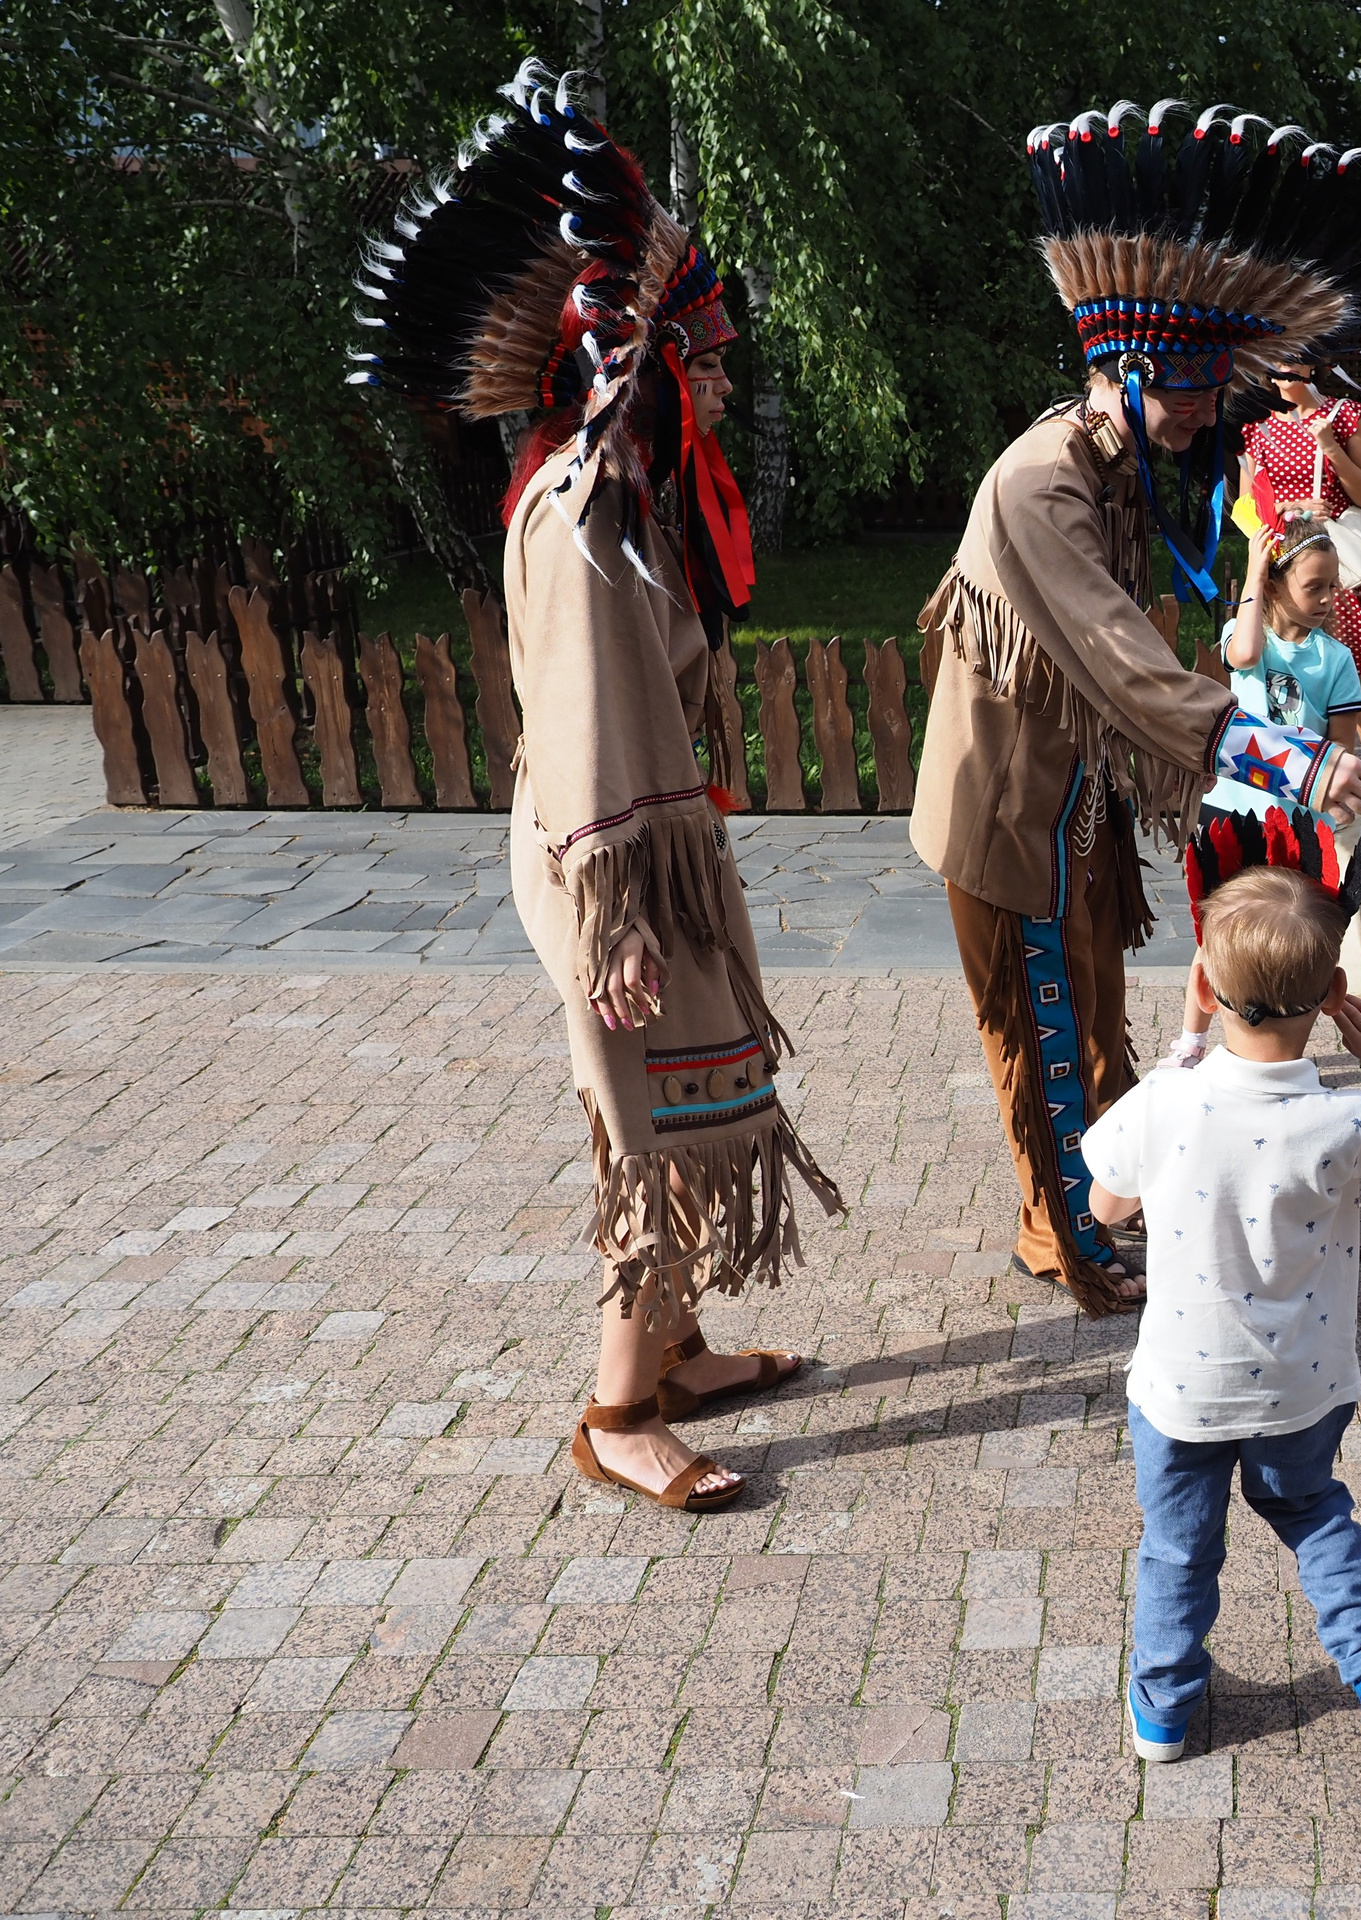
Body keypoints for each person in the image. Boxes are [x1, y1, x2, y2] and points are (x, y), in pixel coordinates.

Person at [348, 63, 842, 1510]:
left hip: (641, 853)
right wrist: (618, 923)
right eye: (705, 352)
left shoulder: (624, 502)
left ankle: (675, 1351)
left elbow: (645, 688)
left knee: (686, 1102)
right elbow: (576, 728)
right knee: (658, 1131)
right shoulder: (576, 523)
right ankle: (619, 1410)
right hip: (606, 872)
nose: (726, 373)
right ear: (636, 368)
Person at [912, 103, 1361, 1316]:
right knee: (1043, 1032)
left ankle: (1099, 1203)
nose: (1212, 417)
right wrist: (1297, 766)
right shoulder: (1042, 481)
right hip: (1009, 815)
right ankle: (1062, 1234)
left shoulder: (1115, 472)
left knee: (1097, 1021)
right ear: (1135, 369)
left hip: (1074, 802)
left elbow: (1156, 663)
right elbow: (1125, 667)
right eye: (1198, 394)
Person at [1084, 867, 1361, 1761]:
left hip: (1182, 1388)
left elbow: (1108, 1206)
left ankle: (1163, 1710)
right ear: (1335, 996)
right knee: (1314, 1512)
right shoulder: (1344, 1118)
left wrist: (1184, 1045)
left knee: (1179, 1549)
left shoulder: (1166, 1099)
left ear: (1202, 984)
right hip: (1303, 1383)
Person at [1166, 515, 1361, 1068]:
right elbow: (1246, 656)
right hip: (1235, 811)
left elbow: (1339, 746)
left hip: (1298, 824)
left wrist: (1333, 804)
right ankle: (1192, 1039)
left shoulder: (1337, 660)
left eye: (1333, 584)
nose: (1329, 597)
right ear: (1275, 586)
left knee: (1290, 934)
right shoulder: (1244, 630)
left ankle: (1276, 1043)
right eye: (1314, 586)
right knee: (1219, 924)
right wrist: (1255, 568)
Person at [1243, 368, 1361, 769]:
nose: (1286, 369)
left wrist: (1330, 446)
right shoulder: (1255, 427)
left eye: (1296, 357)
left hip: (1338, 565)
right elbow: (1244, 510)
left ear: (1313, 363)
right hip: (1287, 567)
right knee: (1287, 658)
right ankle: (1298, 757)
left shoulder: (1343, 415)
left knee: (1356, 665)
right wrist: (1286, 510)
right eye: (1276, 360)